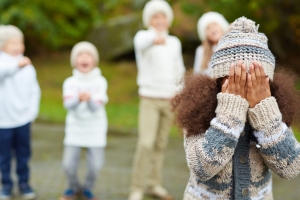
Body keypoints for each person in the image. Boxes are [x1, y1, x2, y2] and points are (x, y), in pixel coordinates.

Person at [172, 17, 300, 199]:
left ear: (268, 83)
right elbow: (202, 168)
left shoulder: (276, 108)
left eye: (255, 77)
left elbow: (291, 167)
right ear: (218, 80)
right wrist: (230, 111)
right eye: (235, 77)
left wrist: (264, 112)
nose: (246, 84)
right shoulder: (198, 111)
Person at [129, 0, 186, 200]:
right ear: (149, 20)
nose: (159, 20)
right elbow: (142, 44)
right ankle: (137, 188)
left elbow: (178, 70)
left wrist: (180, 94)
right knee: (146, 143)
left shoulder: (175, 42)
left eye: (162, 16)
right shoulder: (143, 37)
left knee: (160, 144)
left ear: (168, 19)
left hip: (169, 100)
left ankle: (154, 184)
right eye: (155, 16)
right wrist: (155, 39)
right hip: (149, 99)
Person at [60, 42, 108, 200]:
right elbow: (68, 104)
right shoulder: (70, 82)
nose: (84, 58)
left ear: (94, 60)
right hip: (75, 128)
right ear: (75, 61)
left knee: (96, 166)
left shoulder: (101, 81)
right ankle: (74, 188)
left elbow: (96, 107)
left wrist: (89, 100)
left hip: (95, 128)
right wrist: (78, 98)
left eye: (88, 55)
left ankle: (87, 188)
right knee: (68, 165)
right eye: (80, 55)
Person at [0, 25, 41, 200]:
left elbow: (34, 90)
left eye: (21, 42)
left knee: (24, 154)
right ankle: (6, 185)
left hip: (23, 120)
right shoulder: (4, 63)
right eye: (13, 42)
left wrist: (31, 113)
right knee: (4, 157)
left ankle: (24, 183)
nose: (18, 46)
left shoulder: (28, 67)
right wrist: (17, 66)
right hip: (3, 122)